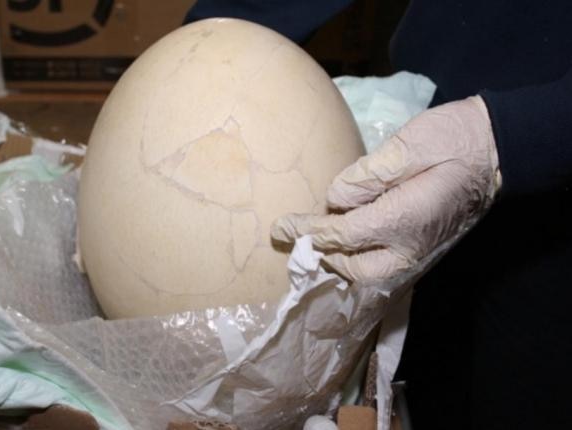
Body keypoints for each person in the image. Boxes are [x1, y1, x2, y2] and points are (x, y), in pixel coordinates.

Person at [186, 2, 572, 429]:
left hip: (552, 217)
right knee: (420, 383)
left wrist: (513, 137)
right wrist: (207, 37)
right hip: (428, 128)